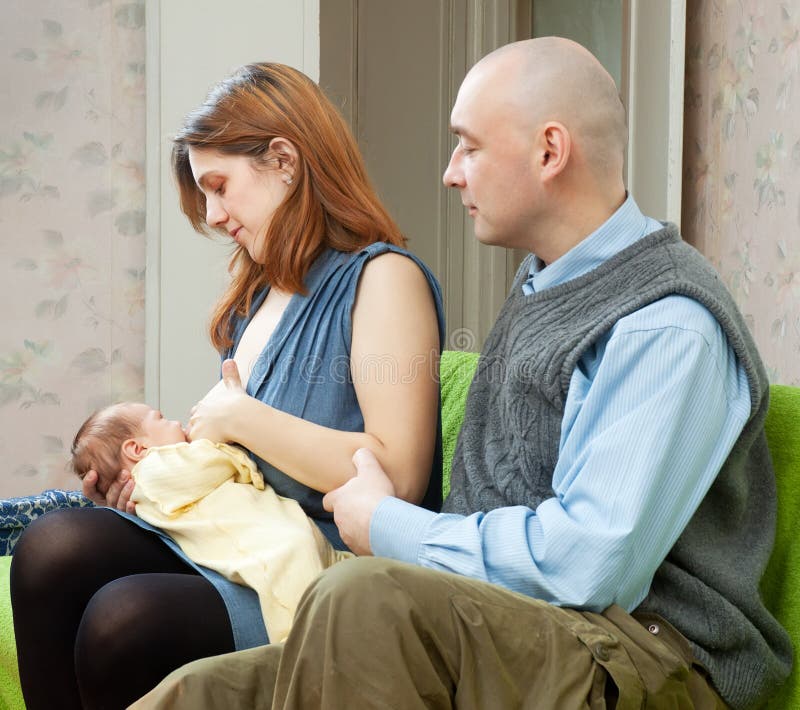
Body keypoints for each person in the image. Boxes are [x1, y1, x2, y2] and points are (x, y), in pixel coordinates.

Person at [134, 37, 792, 710]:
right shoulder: (545, 286)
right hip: (520, 628)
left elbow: (588, 565)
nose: (450, 173)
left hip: (648, 657)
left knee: (360, 597)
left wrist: (387, 525)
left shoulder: (665, 322)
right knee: (195, 693)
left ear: (549, 152)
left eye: (469, 146)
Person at [10, 62, 445, 709]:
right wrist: (157, 484)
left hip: (315, 562)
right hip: (236, 536)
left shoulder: (383, 280)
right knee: (52, 547)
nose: (212, 215)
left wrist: (239, 417)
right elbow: (237, 460)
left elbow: (399, 476)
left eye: (219, 186)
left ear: (284, 162)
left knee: (124, 621)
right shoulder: (254, 298)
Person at [71, 396, 351, 644]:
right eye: (161, 419)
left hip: (283, 529)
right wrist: (221, 437)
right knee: (295, 590)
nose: (177, 423)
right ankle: (307, 647)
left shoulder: (164, 470)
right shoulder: (154, 472)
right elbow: (212, 464)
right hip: (264, 549)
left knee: (317, 561)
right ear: (137, 449)